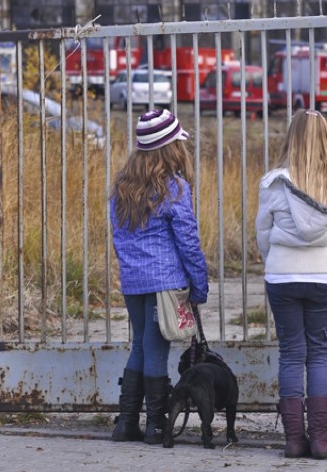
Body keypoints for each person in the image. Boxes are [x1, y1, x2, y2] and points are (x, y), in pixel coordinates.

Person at [255, 109, 327, 460]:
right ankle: (320, 440)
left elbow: (262, 234)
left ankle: (294, 440)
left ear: (290, 137)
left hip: (282, 276)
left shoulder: (274, 183)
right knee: (320, 355)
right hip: (322, 276)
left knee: (292, 355)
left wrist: (277, 259)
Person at [109, 108, 209, 445]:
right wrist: (199, 284)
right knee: (156, 351)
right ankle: (155, 426)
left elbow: (118, 238)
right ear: (171, 148)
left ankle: (126, 423)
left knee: (139, 345)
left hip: (133, 282)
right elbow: (189, 243)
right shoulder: (174, 188)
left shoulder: (120, 189)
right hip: (164, 282)